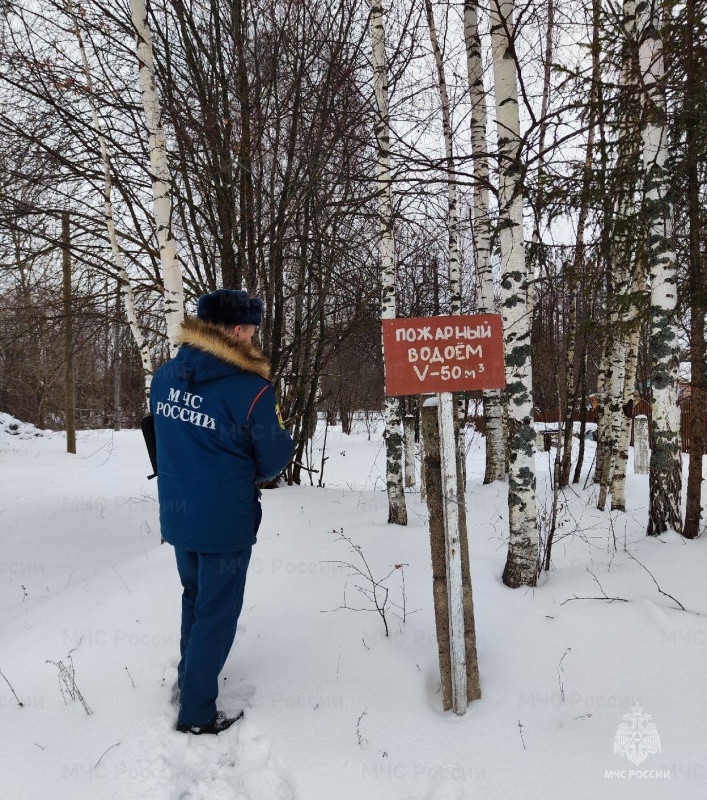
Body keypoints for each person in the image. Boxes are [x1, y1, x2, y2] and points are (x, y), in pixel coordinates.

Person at [150, 288, 294, 735]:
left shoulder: (165, 376)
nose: (253, 339)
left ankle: (188, 681)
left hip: (180, 515)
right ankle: (195, 712)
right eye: (251, 330)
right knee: (218, 611)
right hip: (224, 521)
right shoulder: (252, 389)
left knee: (194, 598)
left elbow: (160, 438)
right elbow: (273, 459)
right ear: (235, 330)